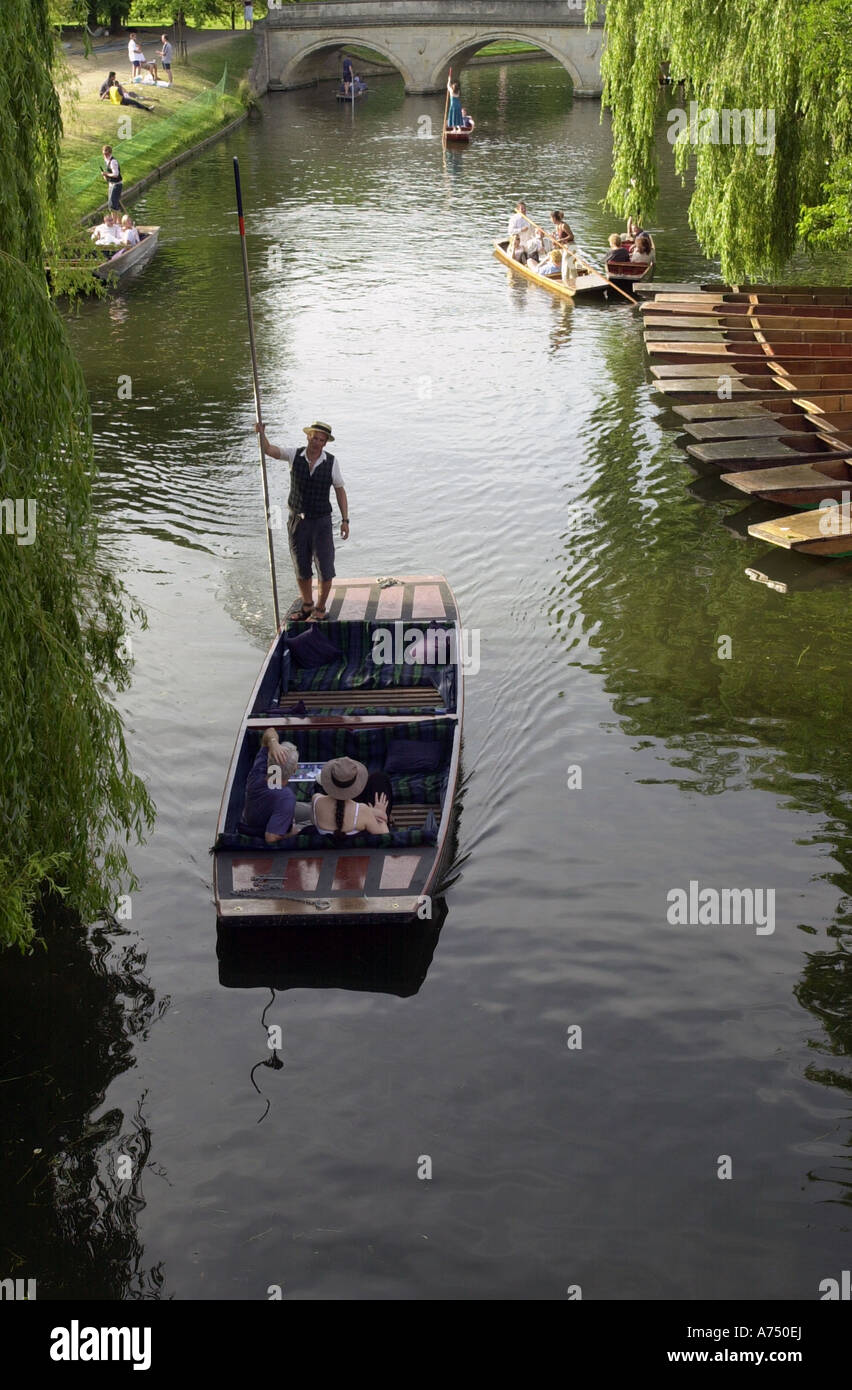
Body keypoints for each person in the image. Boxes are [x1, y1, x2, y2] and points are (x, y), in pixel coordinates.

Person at [255, 420, 350, 622]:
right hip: (297, 521)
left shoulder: (331, 462)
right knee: (301, 565)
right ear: (308, 436)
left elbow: (340, 490)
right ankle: (307, 606)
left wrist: (345, 520)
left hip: (321, 522)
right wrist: (261, 434)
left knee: (325, 567)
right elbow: (269, 450)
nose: (316, 442)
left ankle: (320, 609)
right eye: (314, 437)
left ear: (325, 443)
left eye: (321, 440)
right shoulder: (294, 455)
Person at [309, 758, 393, 839]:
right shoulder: (362, 811)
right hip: (360, 841)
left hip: (327, 844)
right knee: (379, 778)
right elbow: (384, 838)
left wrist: (369, 812)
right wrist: (382, 817)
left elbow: (314, 822)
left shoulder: (316, 800)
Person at [242, 730, 299, 843]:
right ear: (294, 770)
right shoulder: (286, 797)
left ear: (269, 761)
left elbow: (270, 731)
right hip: (266, 830)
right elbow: (271, 838)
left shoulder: (258, 771)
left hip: (251, 821)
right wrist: (294, 833)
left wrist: (273, 743)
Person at [101, 146, 123, 212]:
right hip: (111, 184)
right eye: (104, 154)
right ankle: (114, 220)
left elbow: (116, 174)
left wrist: (106, 174)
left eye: (106, 154)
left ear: (110, 153)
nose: (105, 155)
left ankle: (116, 221)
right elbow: (108, 174)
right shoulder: (106, 161)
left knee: (113, 205)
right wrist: (105, 176)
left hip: (116, 184)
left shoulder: (113, 162)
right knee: (110, 204)